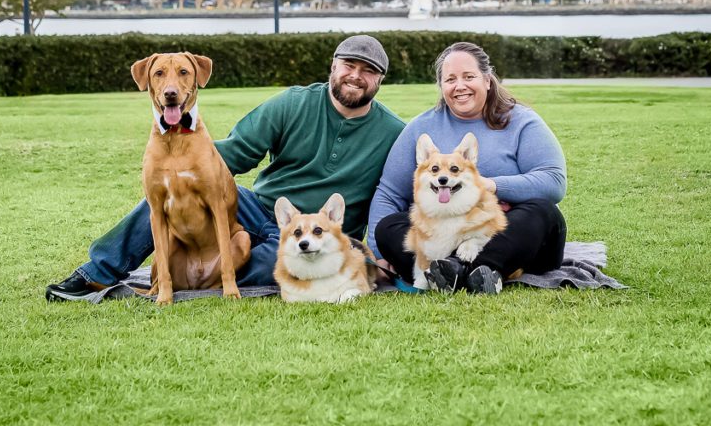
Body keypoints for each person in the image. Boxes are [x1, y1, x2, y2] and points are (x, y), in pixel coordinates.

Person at [46, 35, 405, 301]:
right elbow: (235, 152)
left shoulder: (393, 132)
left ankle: (196, 276)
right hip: (258, 209)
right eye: (349, 65)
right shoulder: (293, 103)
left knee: (281, 266)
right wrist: (178, 167)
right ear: (334, 66)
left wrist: (377, 249)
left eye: (368, 71)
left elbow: (396, 195)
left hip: (316, 234)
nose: (356, 76)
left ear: (379, 80)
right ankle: (94, 273)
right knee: (173, 190)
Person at [368, 40, 567, 295]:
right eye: (450, 79)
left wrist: (491, 186)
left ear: (487, 79)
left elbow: (554, 182)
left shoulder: (522, 121)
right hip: (444, 234)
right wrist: (378, 251)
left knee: (543, 211)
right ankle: (459, 273)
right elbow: (389, 193)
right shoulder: (421, 127)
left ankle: (478, 268)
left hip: (508, 232)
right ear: (441, 86)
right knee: (389, 226)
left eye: (468, 76)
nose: (459, 86)